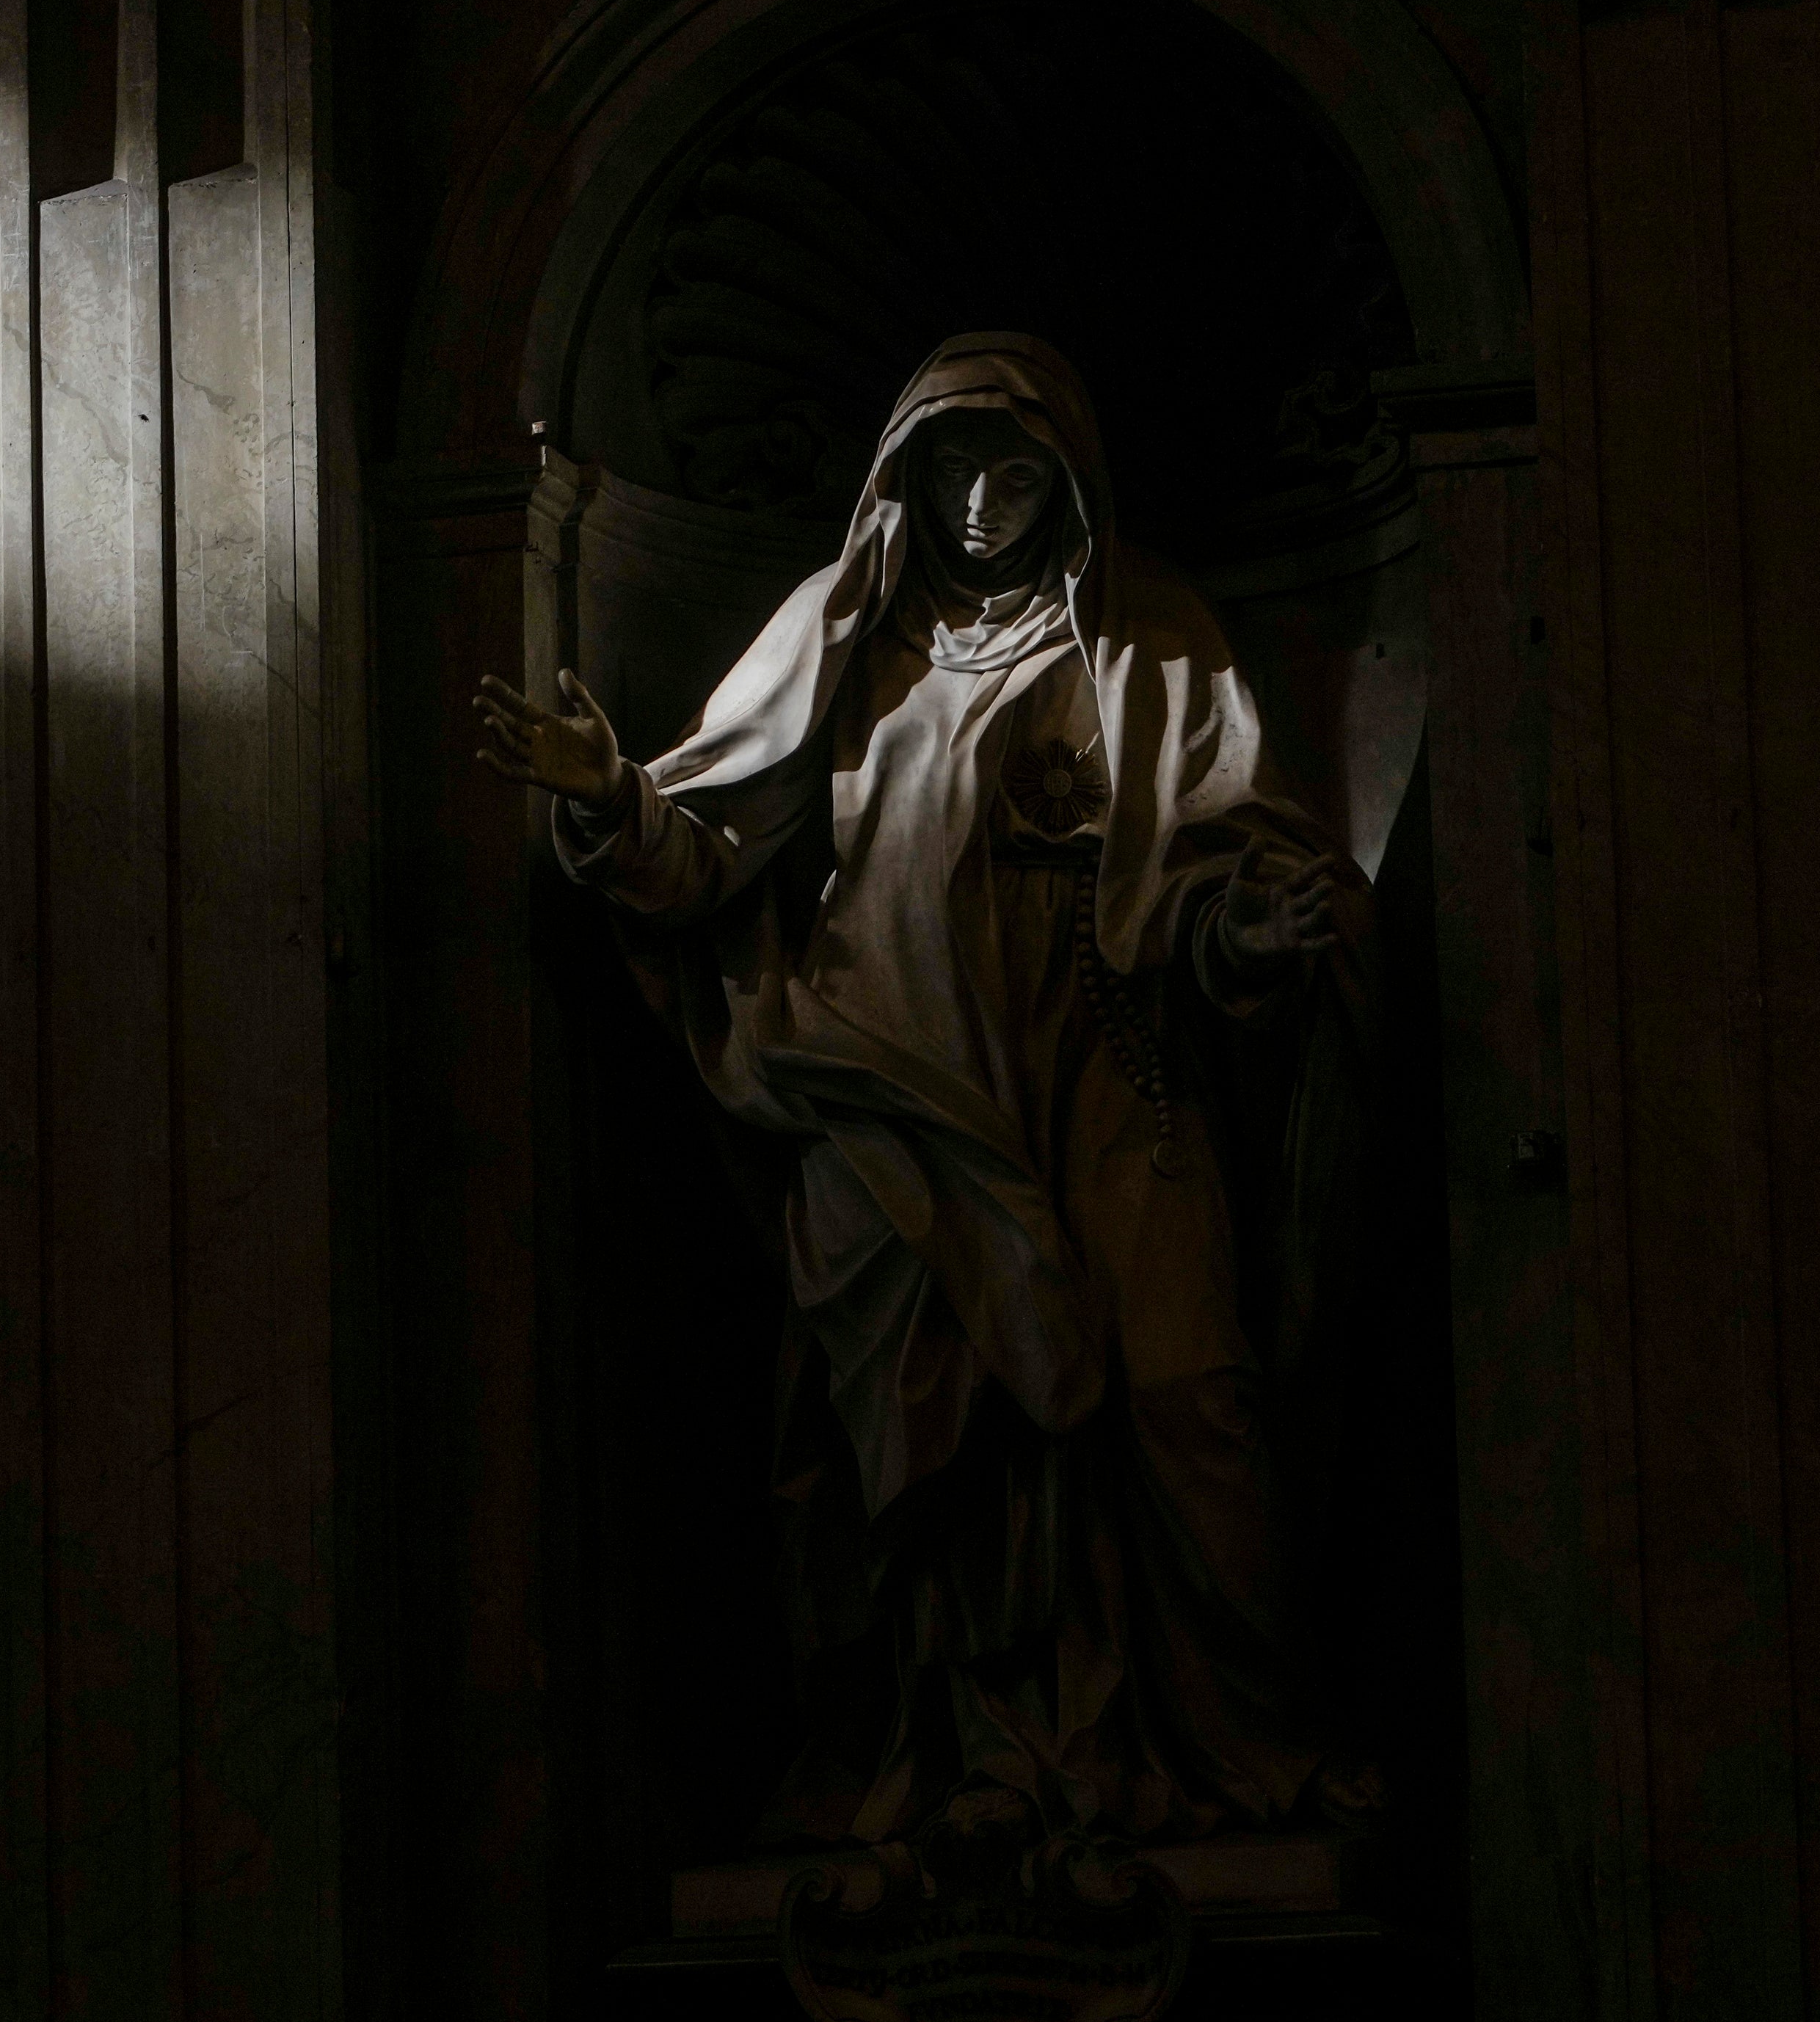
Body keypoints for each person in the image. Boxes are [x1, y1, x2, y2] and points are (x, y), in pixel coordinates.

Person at [473, 332, 1372, 1848]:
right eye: (954, 468)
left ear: (1068, 486)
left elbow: (1223, 868)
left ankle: (1234, 1752)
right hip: (889, 1089)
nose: (980, 502)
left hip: (1107, 1069)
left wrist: (1258, 926)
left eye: (1017, 472)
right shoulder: (837, 635)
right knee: (922, 1438)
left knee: (1186, 1400)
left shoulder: (1151, 635)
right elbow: (700, 856)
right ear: (903, 478)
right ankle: (952, 1755)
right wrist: (615, 794)